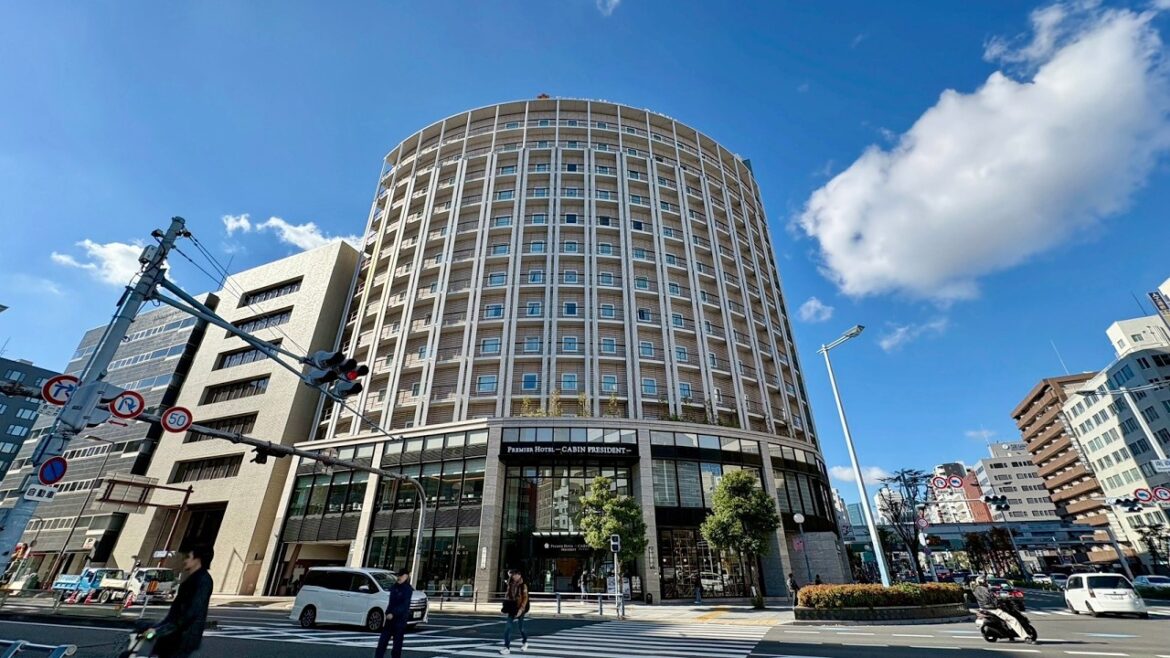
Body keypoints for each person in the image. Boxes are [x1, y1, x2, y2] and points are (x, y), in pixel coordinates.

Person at [145, 544, 214, 658]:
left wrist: (162, 629)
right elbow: (175, 613)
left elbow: (190, 612)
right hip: (174, 636)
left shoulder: (203, 580)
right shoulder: (192, 579)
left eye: (188, 557)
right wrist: (157, 628)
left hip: (183, 638)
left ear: (197, 559)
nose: (184, 560)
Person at [972, 575, 1032, 644]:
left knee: (1004, 619)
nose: (986, 582)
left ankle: (1009, 634)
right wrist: (999, 602)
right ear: (982, 582)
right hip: (992, 609)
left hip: (983, 608)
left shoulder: (976, 590)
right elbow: (991, 599)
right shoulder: (984, 589)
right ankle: (1025, 637)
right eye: (985, 581)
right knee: (1012, 619)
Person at [374, 568, 414, 658]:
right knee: (382, 643)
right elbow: (391, 603)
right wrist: (387, 612)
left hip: (400, 621)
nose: (399, 577)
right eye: (398, 575)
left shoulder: (407, 589)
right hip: (389, 621)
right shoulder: (394, 587)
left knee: (397, 646)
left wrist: (393, 613)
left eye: (401, 576)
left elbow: (405, 605)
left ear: (406, 576)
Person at [500, 570, 529, 655]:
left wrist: (521, 609)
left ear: (520, 575)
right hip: (512, 608)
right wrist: (505, 607)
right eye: (513, 575)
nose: (515, 577)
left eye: (516, 575)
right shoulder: (510, 584)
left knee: (521, 628)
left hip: (520, 608)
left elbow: (525, 598)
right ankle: (507, 647)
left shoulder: (523, 585)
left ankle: (525, 642)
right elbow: (507, 596)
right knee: (507, 628)